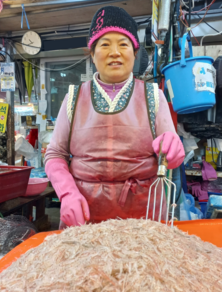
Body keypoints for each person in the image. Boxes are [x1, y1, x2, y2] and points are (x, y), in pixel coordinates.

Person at [45, 6, 185, 229]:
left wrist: (174, 152)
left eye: (123, 44)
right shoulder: (73, 97)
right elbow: (54, 155)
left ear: (134, 53)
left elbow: (171, 157)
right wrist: (67, 193)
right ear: (92, 54)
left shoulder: (154, 97)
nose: (115, 52)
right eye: (105, 44)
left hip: (144, 218)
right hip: (85, 217)